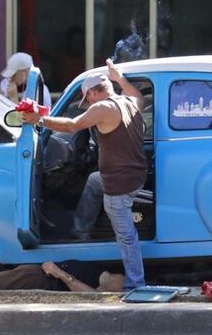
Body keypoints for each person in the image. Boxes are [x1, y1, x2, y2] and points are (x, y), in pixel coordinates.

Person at [22, 58, 147, 290]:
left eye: (87, 98)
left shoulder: (102, 108)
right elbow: (139, 96)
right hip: (135, 176)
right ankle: (80, 232)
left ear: (93, 93)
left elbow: (72, 125)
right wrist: (120, 79)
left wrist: (39, 119)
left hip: (119, 183)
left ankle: (135, 283)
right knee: (93, 180)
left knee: (127, 236)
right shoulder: (128, 102)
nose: (88, 103)